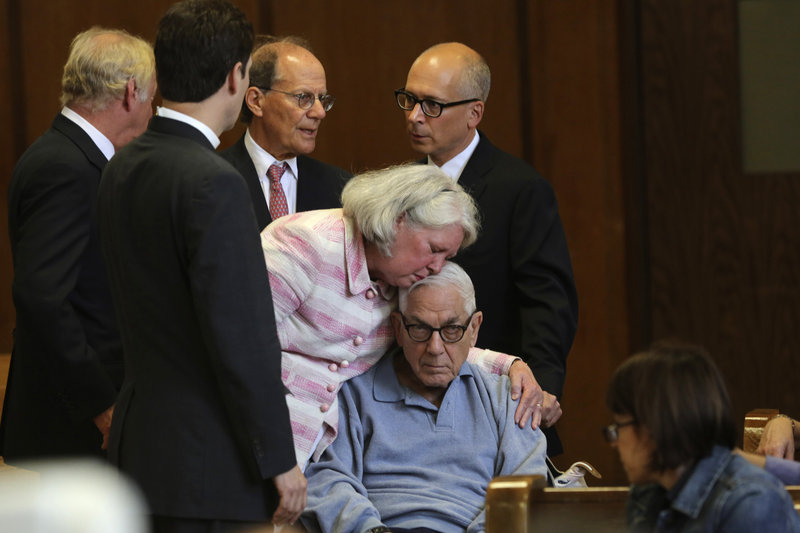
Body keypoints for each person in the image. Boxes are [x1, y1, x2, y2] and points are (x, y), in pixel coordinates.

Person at [97, 1, 304, 530]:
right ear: (237, 77)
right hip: (209, 467)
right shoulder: (213, 180)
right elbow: (241, 337)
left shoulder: (122, 165)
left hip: (140, 451)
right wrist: (278, 457)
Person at [261, 163, 545, 469]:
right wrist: (277, 460)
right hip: (257, 443)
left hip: (312, 459)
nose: (437, 267)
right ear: (398, 220)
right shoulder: (304, 243)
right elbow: (240, 349)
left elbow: (433, 340)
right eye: (434, 249)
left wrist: (511, 365)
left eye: (446, 257)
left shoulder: (399, 282)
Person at [395, 42, 577, 455]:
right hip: (405, 400)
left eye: (432, 105)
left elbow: (548, 302)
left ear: (474, 113)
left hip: (491, 397)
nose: (414, 116)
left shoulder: (521, 188)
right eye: (408, 100)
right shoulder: (398, 188)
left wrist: (541, 389)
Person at [0, 27, 155, 465]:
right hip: (73, 423)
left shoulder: (70, 156)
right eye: (151, 96)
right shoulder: (64, 167)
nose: (153, 109)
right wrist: (101, 403)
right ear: (130, 92)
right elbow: (41, 297)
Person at [301, 261, 549, 533]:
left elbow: (526, 488)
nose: (435, 348)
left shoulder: (506, 398)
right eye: (419, 329)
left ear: (474, 329)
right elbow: (328, 478)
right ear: (398, 327)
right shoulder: (354, 394)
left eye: (452, 329)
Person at [605, 341, 800, 532]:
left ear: (654, 426)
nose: (614, 442)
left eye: (618, 427)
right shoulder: (648, 492)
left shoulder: (750, 502)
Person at [221, 36, 350, 230]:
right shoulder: (213, 180)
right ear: (256, 101)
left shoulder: (342, 189)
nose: (320, 112)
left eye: (321, 98)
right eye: (303, 97)